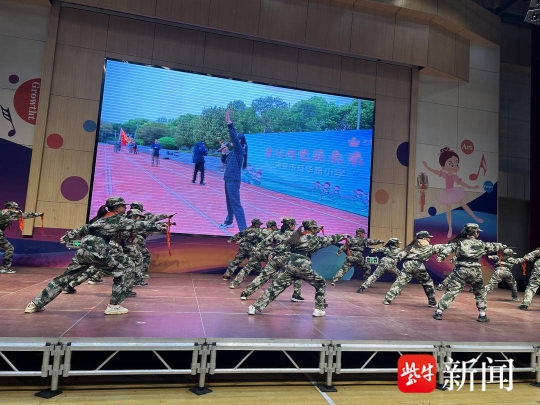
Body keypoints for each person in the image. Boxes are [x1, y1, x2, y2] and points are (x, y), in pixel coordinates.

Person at [24, 197, 171, 315]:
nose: (125, 208)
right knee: (121, 272)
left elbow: (85, 228)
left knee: (64, 278)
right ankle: (113, 306)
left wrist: (69, 236)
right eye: (123, 206)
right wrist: (159, 226)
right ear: (117, 207)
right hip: (98, 249)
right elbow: (136, 225)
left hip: (83, 249)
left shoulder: (102, 218)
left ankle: (36, 304)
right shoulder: (118, 219)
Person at [248, 220, 348, 317]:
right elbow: (331, 239)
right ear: (312, 229)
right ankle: (319, 309)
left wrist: (274, 252)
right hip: (303, 267)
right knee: (321, 283)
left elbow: (283, 246)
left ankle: (254, 307)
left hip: (290, 266)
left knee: (276, 287)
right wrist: (343, 236)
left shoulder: (296, 236)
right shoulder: (315, 239)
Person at [433, 223, 506, 322]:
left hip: (461, 270)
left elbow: (448, 249)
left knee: (452, 291)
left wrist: (441, 256)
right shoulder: (481, 243)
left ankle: (439, 312)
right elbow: (493, 246)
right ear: (475, 233)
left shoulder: (458, 242)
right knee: (479, 292)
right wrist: (502, 246)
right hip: (475, 271)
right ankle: (482, 315)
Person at [422, 147, 482, 238]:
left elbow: (462, 183)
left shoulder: (454, 177)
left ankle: (475, 217)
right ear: (443, 167)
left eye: (456, 163)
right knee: (448, 209)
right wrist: (427, 167)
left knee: (462, 204)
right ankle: (450, 227)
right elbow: (436, 172)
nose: (455, 166)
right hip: (447, 193)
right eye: (451, 164)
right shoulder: (445, 174)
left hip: (453, 192)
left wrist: (471, 187)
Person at [240, 218, 304, 302]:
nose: (294, 226)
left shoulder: (276, 233)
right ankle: (296, 295)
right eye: (294, 225)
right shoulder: (295, 234)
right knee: (298, 275)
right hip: (289, 260)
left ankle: (245, 293)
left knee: (262, 277)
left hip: (275, 258)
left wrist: (256, 249)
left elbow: (264, 242)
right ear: (290, 225)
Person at [382, 231, 447, 307]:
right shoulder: (429, 247)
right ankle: (432, 303)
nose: (429, 239)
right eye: (428, 238)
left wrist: (397, 259)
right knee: (427, 283)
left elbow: (402, 253)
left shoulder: (411, 246)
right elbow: (441, 247)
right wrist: (453, 245)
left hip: (407, 265)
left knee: (399, 282)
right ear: (424, 238)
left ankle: (387, 299)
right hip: (418, 265)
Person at [228, 220, 278, 289]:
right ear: (273, 226)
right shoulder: (276, 233)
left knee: (246, 268)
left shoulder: (259, 230)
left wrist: (240, 240)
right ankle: (276, 285)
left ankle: (234, 283)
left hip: (257, 252)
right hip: (268, 253)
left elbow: (249, 236)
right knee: (275, 268)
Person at [219, 109, 247, 230]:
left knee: (236, 205)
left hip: (233, 181)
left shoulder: (240, 150)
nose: (231, 141)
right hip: (228, 179)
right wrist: (223, 153)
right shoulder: (233, 152)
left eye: (234, 140)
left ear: (238, 141)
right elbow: (225, 161)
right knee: (229, 202)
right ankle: (229, 221)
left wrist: (229, 124)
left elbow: (234, 139)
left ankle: (244, 230)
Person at [0, 202, 43, 274]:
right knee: (9, 248)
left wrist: (37, 214)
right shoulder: (7, 213)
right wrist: (37, 214)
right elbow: (22, 215)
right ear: (10, 208)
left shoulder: (5, 212)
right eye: (14, 208)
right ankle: (5, 268)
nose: (16, 210)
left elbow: (22, 215)